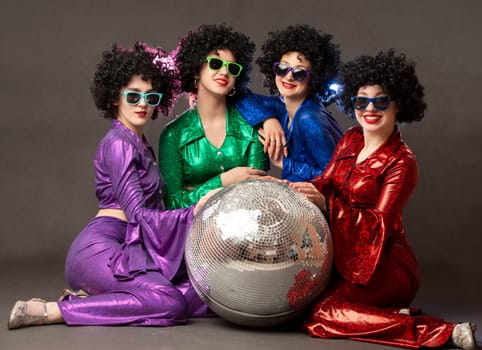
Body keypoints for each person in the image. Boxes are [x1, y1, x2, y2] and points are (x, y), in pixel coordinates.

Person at [7, 42, 216, 329]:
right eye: (133, 96)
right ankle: (55, 310)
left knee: (203, 292)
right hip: (101, 248)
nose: (142, 104)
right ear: (115, 98)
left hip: (134, 247)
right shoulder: (119, 143)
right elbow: (139, 216)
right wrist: (196, 211)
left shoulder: (140, 144)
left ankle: (103, 298)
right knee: (170, 302)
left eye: (150, 97)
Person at [289, 49, 477, 349]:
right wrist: (291, 190)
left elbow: (378, 226)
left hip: (385, 266)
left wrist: (328, 206)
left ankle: (441, 331)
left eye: (381, 100)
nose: (370, 109)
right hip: (343, 260)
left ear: (398, 104)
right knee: (299, 303)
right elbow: (326, 182)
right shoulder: (351, 137)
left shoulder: (402, 162)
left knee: (322, 312)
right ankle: (387, 315)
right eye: (361, 100)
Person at [159, 24, 268, 209]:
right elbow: (173, 203)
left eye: (232, 68)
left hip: (245, 229)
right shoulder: (173, 135)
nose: (224, 72)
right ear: (196, 69)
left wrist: (195, 191)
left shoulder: (251, 128)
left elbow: (256, 195)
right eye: (216, 64)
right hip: (191, 233)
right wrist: (223, 181)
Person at [235, 24, 343, 181]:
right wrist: (268, 119)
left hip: (317, 204)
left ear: (315, 78)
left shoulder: (309, 119)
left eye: (299, 73)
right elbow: (239, 95)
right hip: (297, 198)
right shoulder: (283, 107)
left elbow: (334, 178)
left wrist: (283, 162)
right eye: (282, 68)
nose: (288, 76)